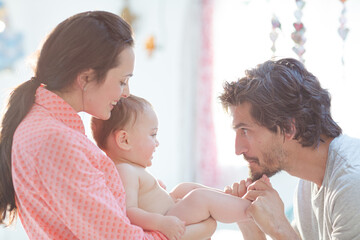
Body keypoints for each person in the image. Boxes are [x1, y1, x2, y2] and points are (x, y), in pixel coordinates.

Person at [0, 11, 215, 240]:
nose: (126, 93)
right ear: (85, 79)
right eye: (122, 81)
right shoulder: (56, 141)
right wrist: (193, 232)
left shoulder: (41, 125)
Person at [219, 58, 360, 240]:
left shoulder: (352, 183)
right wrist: (250, 227)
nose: (238, 149)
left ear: (288, 128)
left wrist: (279, 228)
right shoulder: (307, 184)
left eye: (245, 131)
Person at [91, 95, 253, 240]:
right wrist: (161, 223)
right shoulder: (125, 170)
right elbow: (129, 211)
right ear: (124, 140)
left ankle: (230, 200)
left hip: (169, 211)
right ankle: (251, 210)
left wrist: (158, 191)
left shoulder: (131, 168)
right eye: (152, 134)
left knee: (184, 188)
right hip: (166, 218)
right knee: (199, 198)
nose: (157, 142)